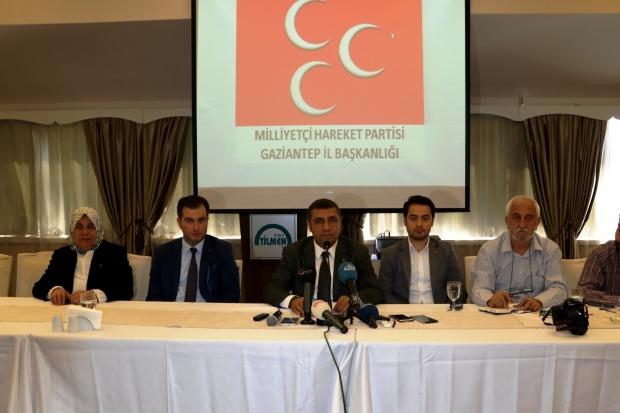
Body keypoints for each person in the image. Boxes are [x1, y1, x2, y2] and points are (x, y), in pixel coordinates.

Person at [264, 198, 382, 315]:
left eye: (332, 220)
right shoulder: (294, 252)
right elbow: (273, 289)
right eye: (319, 221)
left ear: (340, 223)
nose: (326, 227)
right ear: (309, 225)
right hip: (307, 316)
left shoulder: (357, 251)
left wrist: (353, 299)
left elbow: (374, 290)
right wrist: (292, 301)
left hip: (341, 315)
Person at [471, 195, 568, 311]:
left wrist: (539, 301)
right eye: (516, 218)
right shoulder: (489, 250)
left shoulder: (550, 250)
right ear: (507, 221)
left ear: (537, 223)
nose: (522, 225)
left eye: (528, 218)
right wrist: (491, 299)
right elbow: (479, 289)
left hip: (535, 314)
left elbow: (559, 288)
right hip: (500, 313)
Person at [146, 195, 239, 302]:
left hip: (209, 310)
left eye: (201, 220)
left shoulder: (222, 250)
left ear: (207, 220)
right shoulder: (162, 253)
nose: (196, 227)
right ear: (179, 223)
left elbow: (232, 294)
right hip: (173, 309)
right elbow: (154, 295)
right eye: (189, 221)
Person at [32, 207, 134, 305]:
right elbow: (38, 287)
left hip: (100, 311)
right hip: (65, 310)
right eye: (79, 227)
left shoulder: (114, 253)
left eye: (90, 227)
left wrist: (94, 296)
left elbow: (126, 289)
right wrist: (54, 290)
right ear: (73, 230)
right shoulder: (62, 255)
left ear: (98, 229)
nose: (84, 232)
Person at [379, 195, 467, 304]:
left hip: (439, 311)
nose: (419, 224)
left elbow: (459, 289)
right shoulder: (390, 254)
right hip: (404, 312)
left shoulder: (446, 250)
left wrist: (446, 311)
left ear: (432, 221)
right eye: (413, 218)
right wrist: (404, 312)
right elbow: (384, 293)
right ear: (405, 221)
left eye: (425, 219)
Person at [578, 215, 620, 307]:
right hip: (609, 314)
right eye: (619, 230)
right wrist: (618, 301)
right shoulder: (601, 254)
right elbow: (584, 292)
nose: (618, 238)